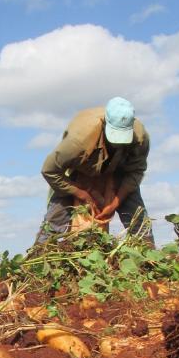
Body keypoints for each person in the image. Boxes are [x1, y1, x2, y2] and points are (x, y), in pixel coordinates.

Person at [35, 96, 154, 246]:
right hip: (79, 170)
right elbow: (49, 170)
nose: (117, 144)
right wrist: (82, 194)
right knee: (55, 220)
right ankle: (37, 260)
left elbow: (136, 172)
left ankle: (150, 260)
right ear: (104, 124)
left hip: (118, 170)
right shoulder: (78, 141)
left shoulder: (140, 137)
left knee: (140, 223)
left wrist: (115, 202)